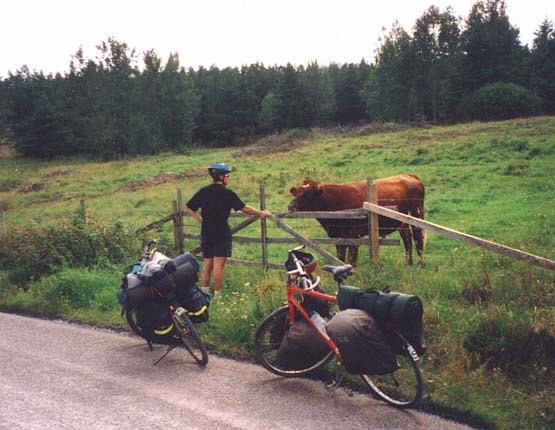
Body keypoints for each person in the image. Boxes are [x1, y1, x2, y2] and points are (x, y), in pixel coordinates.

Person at [186, 163, 270, 297]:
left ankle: (204, 294)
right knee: (218, 265)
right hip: (221, 232)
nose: (229, 178)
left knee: (208, 263)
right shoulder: (227, 193)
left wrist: (201, 220)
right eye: (227, 175)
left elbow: (190, 207)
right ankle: (218, 296)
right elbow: (244, 208)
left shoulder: (204, 191)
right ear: (221, 176)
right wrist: (260, 213)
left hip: (206, 232)